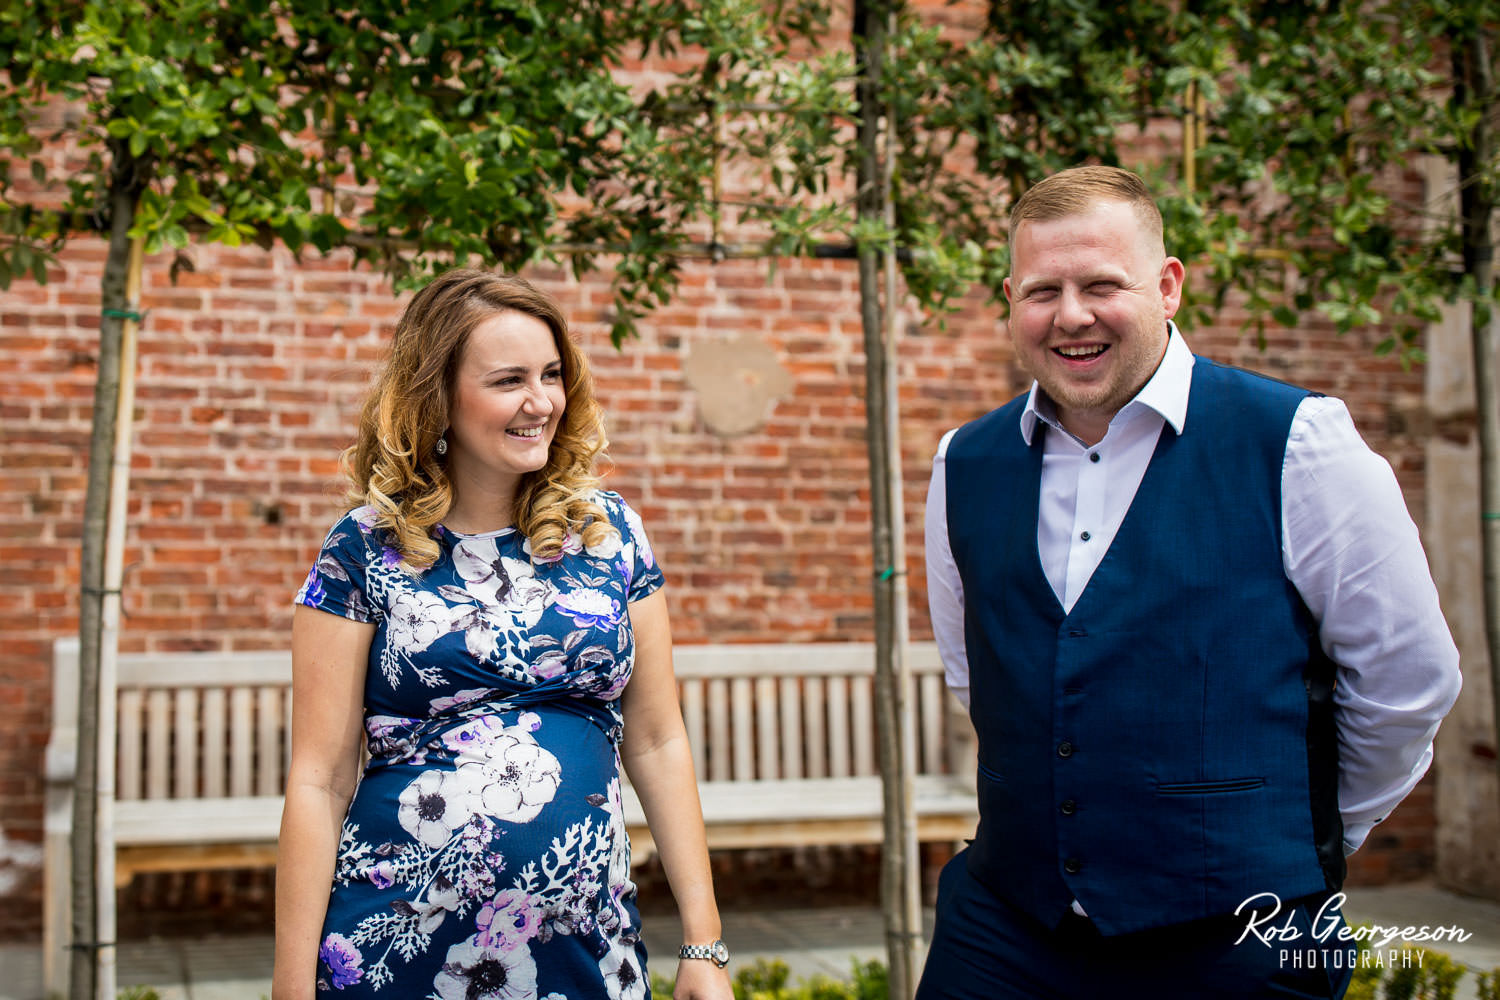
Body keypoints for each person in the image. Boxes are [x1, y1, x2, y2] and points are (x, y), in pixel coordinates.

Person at [917, 165, 1462, 1000]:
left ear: (1168, 286)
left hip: (1241, 932)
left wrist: (1299, 838)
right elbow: (975, 675)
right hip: (1008, 927)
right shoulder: (966, 464)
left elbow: (1407, 680)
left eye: (1103, 284)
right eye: (1042, 290)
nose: (1071, 315)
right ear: (1010, 299)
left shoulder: (1298, 444)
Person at [272, 269, 734, 1000]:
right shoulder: (363, 549)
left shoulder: (609, 534)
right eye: (509, 379)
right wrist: (292, 985)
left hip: (587, 950)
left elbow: (657, 739)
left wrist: (704, 946)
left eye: (552, 375)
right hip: (395, 950)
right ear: (439, 399)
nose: (540, 401)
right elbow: (319, 779)